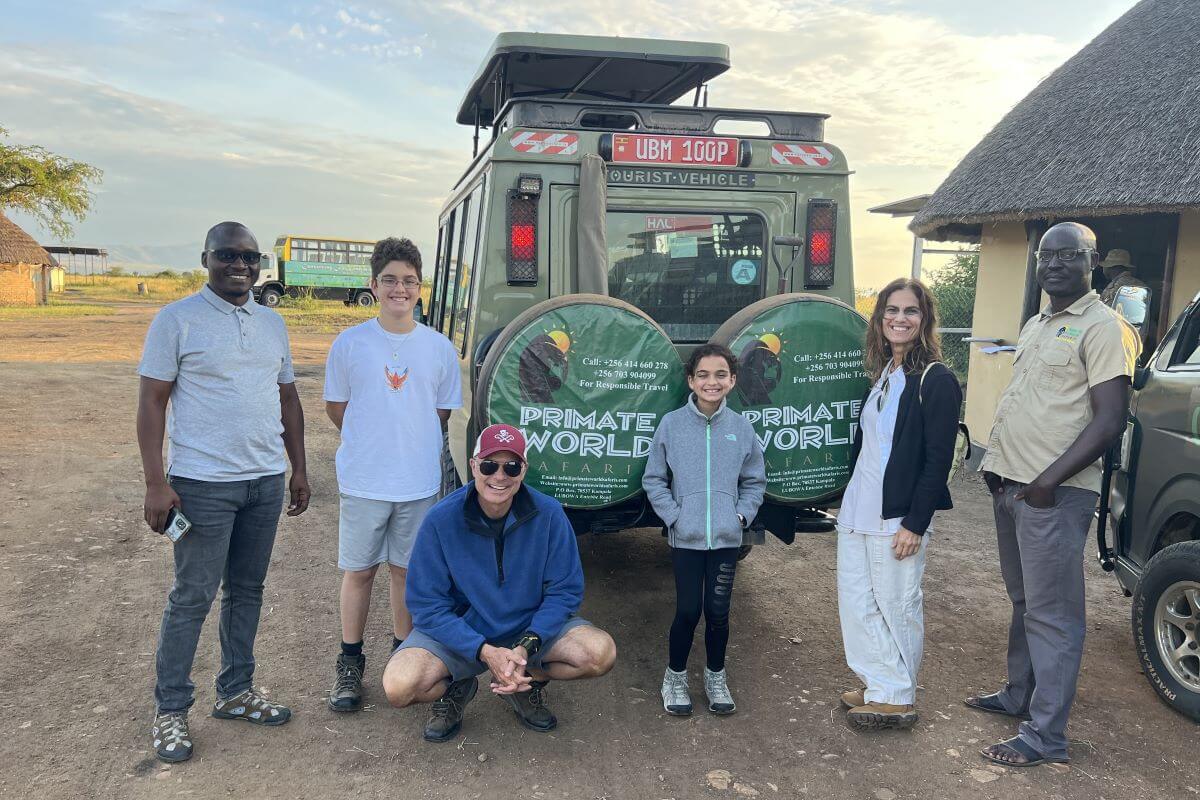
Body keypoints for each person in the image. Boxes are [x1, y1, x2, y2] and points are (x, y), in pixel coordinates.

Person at [137, 221, 310, 763]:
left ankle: (236, 691)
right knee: (192, 597)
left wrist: (298, 469)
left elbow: (287, 400)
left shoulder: (272, 323)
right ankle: (170, 710)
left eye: (250, 257)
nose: (240, 265)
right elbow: (151, 403)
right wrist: (155, 482)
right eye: (228, 255)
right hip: (202, 485)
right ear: (206, 259)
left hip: (263, 481)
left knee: (247, 591)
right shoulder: (177, 320)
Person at [968, 222, 1140, 767]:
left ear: (1093, 261)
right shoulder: (1038, 322)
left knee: (1054, 614)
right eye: (1046, 256)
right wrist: (997, 466)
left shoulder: (1104, 328)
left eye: (1069, 255)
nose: (1055, 265)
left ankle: (1046, 736)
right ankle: (1019, 694)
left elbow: (1110, 420)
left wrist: (1046, 482)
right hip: (1013, 486)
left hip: (1054, 495)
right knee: (1026, 602)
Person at [381, 424, 617, 741]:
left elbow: (564, 592)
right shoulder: (441, 519)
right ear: (473, 465)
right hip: (465, 630)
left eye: (512, 466)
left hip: (527, 628)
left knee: (600, 653)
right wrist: (481, 650)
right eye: (490, 465)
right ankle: (457, 685)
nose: (500, 476)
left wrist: (526, 646)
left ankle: (523, 680)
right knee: (399, 686)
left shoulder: (549, 514)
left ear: (524, 470)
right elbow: (426, 605)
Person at [323, 237, 462, 713]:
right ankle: (350, 663)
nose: (399, 289)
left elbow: (441, 412)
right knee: (359, 571)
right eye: (389, 280)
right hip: (364, 481)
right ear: (373, 285)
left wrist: (405, 441)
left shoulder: (439, 348)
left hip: (417, 482)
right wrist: (372, 440)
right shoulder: (350, 344)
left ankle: (403, 656)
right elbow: (337, 408)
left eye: (408, 281)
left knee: (405, 572)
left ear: (420, 288)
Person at [836, 278, 963, 730]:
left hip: (897, 517)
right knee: (858, 602)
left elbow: (938, 459)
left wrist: (915, 522)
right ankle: (877, 684)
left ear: (924, 320)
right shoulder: (886, 374)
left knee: (896, 603)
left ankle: (898, 696)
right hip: (859, 511)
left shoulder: (937, 379)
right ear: (880, 318)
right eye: (891, 310)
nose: (899, 319)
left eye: (910, 311)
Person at [643, 343, 766, 717]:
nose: (712, 382)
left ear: (733, 380)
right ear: (690, 380)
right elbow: (654, 478)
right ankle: (675, 678)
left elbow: (755, 480)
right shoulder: (672, 424)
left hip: (726, 539)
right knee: (687, 611)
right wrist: (674, 516)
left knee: (718, 611)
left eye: (720, 375)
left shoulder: (741, 428)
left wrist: (740, 517)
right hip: (687, 539)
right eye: (703, 375)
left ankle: (716, 677)